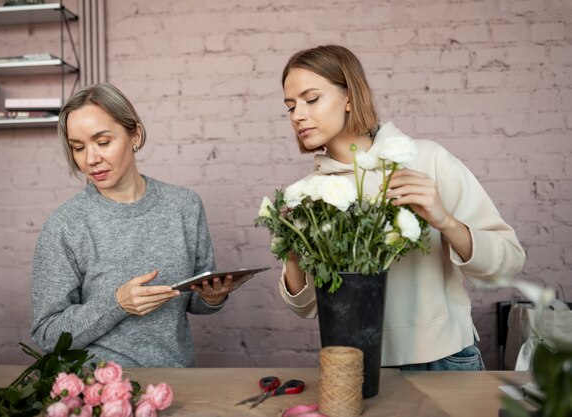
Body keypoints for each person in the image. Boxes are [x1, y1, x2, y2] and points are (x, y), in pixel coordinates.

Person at [278, 45, 526, 370]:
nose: (297, 115)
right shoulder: (309, 194)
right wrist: (292, 251)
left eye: (311, 99)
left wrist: (445, 221)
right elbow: (308, 308)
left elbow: (507, 263)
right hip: (356, 367)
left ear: (350, 97)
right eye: (290, 106)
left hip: (444, 361)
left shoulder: (426, 160)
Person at [30, 83, 236, 367]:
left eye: (103, 142)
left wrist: (213, 297)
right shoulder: (66, 225)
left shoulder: (184, 206)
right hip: (97, 388)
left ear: (135, 135)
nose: (91, 159)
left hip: (177, 380)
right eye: (78, 148)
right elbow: (47, 333)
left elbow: (193, 302)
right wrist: (117, 305)